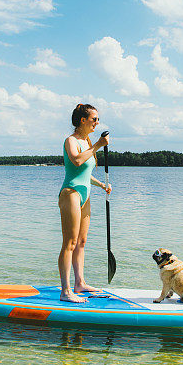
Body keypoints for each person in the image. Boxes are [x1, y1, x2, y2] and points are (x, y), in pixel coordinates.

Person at [57, 103, 111, 303]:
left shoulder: (88, 141)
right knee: (69, 243)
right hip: (70, 193)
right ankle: (66, 291)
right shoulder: (71, 140)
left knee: (81, 242)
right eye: (94, 119)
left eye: (98, 119)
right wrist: (97, 145)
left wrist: (102, 185)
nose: (97, 122)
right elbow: (77, 161)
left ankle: (79, 283)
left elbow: (85, 174)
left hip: (85, 193)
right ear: (83, 120)